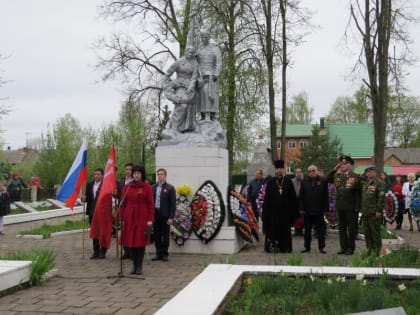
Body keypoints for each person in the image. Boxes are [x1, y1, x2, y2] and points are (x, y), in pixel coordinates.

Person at [119, 165, 154, 275]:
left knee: (140, 242)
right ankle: (134, 265)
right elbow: (123, 203)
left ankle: (139, 266)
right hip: (129, 217)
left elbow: (150, 205)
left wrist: (150, 219)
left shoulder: (147, 187)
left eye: (138, 173)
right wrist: (122, 216)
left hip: (142, 217)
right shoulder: (128, 186)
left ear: (142, 174)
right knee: (131, 242)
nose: (136, 175)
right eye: (134, 173)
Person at [327, 155, 361, 255]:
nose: (342, 165)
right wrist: (334, 169)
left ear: (350, 165)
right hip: (340, 206)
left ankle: (350, 248)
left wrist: (357, 207)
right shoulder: (338, 176)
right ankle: (343, 248)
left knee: (351, 229)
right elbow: (328, 179)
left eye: (344, 164)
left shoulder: (355, 176)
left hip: (351, 207)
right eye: (341, 164)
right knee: (342, 229)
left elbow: (358, 193)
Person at [262, 159, 298, 253]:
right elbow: (267, 199)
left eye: (281, 168)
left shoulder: (288, 182)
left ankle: (285, 248)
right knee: (273, 229)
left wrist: (293, 213)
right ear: (275, 170)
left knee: (285, 231)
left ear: (284, 170)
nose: (279, 170)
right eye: (277, 169)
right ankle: (273, 247)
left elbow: (293, 198)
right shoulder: (270, 182)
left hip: (285, 213)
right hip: (273, 212)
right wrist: (266, 213)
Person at [163, 46, 200, 133]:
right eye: (189, 52)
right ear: (185, 52)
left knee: (190, 106)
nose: (190, 54)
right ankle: (174, 127)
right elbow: (167, 74)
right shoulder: (179, 62)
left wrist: (191, 87)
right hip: (179, 86)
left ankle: (185, 128)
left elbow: (194, 77)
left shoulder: (195, 64)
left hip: (189, 87)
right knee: (182, 105)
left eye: (192, 52)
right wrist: (167, 86)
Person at [299, 165, 329, 254]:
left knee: (320, 231)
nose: (312, 172)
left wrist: (326, 209)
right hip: (307, 211)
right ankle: (307, 247)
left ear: (317, 171)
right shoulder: (304, 181)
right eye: (310, 171)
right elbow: (301, 196)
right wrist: (301, 208)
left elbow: (325, 196)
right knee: (307, 231)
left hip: (319, 210)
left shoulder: (323, 181)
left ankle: (321, 247)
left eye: (313, 170)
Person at [196, 30, 222, 121]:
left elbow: (218, 62)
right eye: (202, 37)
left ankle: (209, 114)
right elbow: (195, 61)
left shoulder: (215, 48)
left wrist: (216, 74)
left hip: (211, 75)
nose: (204, 39)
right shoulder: (198, 48)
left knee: (208, 93)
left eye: (206, 37)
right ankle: (202, 115)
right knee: (200, 95)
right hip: (200, 75)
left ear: (209, 37)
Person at [152, 168, 176, 261]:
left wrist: (171, 217)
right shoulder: (153, 187)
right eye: (158, 174)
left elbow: (173, 204)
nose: (160, 176)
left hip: (165, 215)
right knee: (156, 235)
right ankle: (158, 253)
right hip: (155, 214)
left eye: (161, 174)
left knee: (165, 235)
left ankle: (165, 254)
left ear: (165, 176)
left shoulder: (170, 188)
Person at [82, 168, 107, 259]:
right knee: (94, 232)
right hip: (92, 212)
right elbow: (86, 198)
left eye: (98, 174)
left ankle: (103, 251)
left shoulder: (105, 185)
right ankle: (96, 251)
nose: (96, 176)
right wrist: (83, 198)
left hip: (102, 213)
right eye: (95, 174)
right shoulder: (90, 185)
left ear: (102, 175)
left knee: (102, 232)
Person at [360, 165, 384, 255]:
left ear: (375, 172)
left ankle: (377, 251)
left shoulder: (379, 183)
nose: (369, 173)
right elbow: (359, 179)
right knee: (367, 233)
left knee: (375, 233)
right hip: (366, 212)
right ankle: (369, 250)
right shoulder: (365, 183)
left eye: (371, 171)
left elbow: (381, 198)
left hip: (374, 213)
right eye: (367, 172)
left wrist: (379, 210)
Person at [116, 163, 133, 259]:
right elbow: (118, 196)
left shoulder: (135, 182)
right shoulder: (121, 182)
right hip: (123, 210)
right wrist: (114, 193)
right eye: (126, 169)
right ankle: (126, 251)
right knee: (124, 231)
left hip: (132, 210)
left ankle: (132, 252)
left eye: (130, 169)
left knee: (131, 231)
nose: (128, 171)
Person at [291, 168, 304, 236]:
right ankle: (296, 230)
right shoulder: (292, 181)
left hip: (302, 201)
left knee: (301, 216)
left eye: (299, 172)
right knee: (295, 216)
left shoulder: (304, 181)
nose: (298, 174)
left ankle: (301, 230)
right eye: (297, 172)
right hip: (294, 201)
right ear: (295, 173)